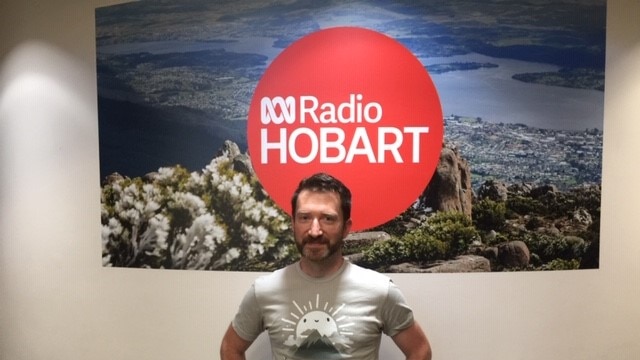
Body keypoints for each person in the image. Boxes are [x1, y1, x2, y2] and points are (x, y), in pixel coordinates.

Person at [220, 172, 432, 360]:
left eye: (328, 219)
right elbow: (230, 348)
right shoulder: (264, 290)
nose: (314, 231)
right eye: (304, 218)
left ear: (346, 228)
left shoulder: (380, 290)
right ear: (293, 223)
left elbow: (420, 350)